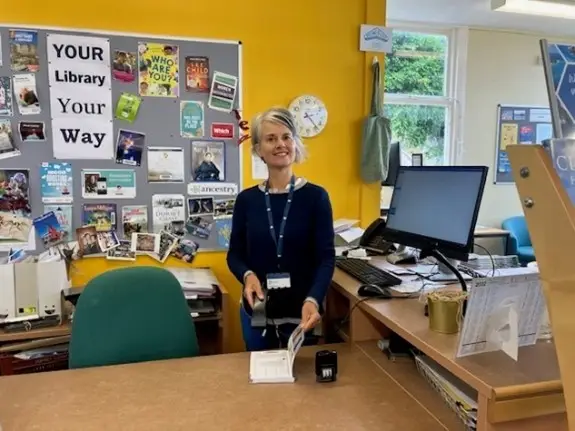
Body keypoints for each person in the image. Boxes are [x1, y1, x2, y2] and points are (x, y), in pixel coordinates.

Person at [227, 107, 335, 351]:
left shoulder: (316, 198)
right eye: (271, 138)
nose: (280, 144)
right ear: (258, 150)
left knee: (302, 385)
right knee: (260, 382)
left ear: (295, 144)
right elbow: (234, 255)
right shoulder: (247, 200)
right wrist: (248, 276)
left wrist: (313, 299)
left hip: (303, 313)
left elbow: (326, 258)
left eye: (286, 137)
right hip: (258, 311)